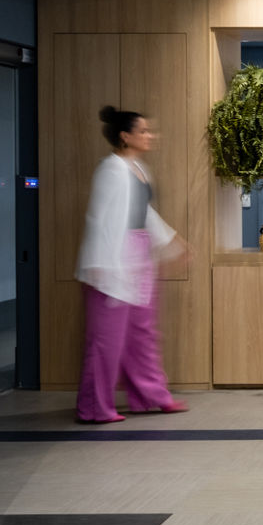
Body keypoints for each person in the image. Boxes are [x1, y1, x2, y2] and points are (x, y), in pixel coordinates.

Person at [74, 106, 188, 422]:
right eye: (143, 131)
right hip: (112, 263)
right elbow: (99, 219)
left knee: (142, 333)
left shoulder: (139, 169)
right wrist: (99, 264)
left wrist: (174, 243)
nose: (150, 136)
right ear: (125, 136)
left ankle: (150, 396)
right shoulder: (110, 170)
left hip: (139, 258)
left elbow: (144, 213)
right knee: (106, 340)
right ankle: (94, 407)